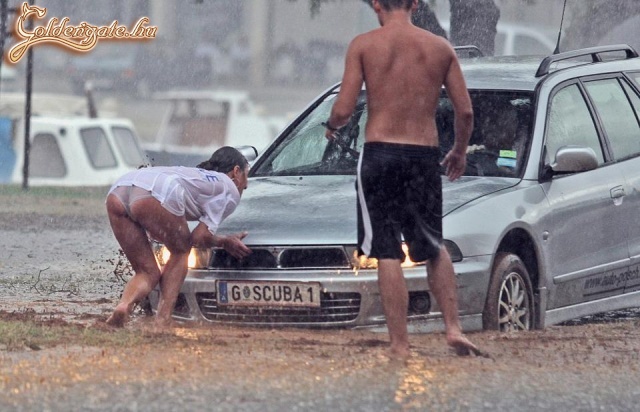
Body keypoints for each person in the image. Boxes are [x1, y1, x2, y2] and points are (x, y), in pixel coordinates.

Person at [325, 0, 481, 360]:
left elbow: (344, 108)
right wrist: (459, 150)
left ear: (376, 3)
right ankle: (454, 328)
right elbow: (466, 110)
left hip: (380, 154)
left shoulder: (364, 45)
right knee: (432, 244)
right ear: (414, 3)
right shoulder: (440, 48)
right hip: (423, 156)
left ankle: (400, 345)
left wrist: (332, 127)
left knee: (387, 249)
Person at [105, 146, 252, 328]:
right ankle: (163, 319)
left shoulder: (198, 176)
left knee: (147, 271)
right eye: (246, 176)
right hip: (154, 192)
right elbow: (199, 237)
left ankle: (123, 306)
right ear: (236, 172)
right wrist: (224, 241)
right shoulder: (229, 188)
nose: (246, 185)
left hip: (120, 189)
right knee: (181, 250)